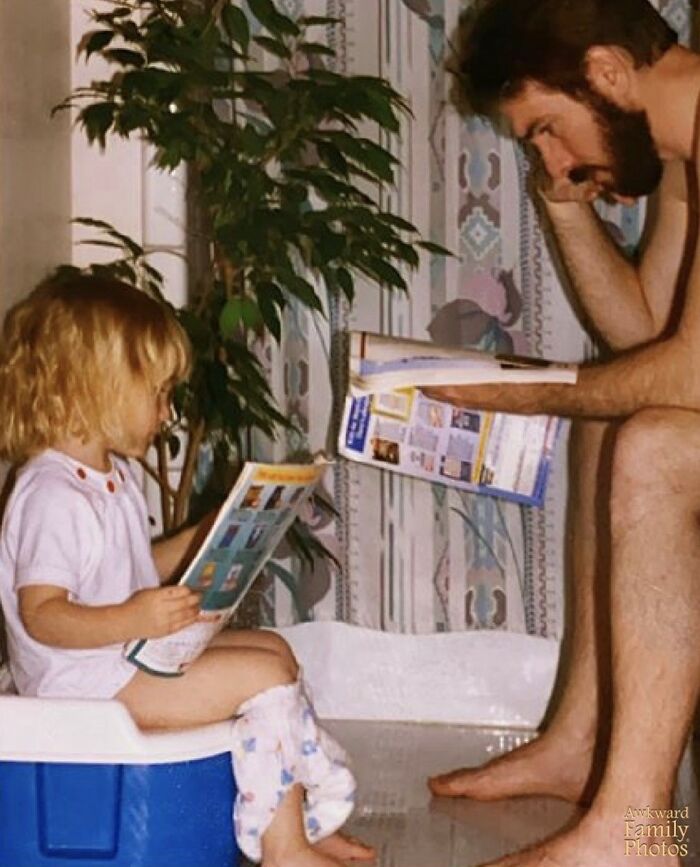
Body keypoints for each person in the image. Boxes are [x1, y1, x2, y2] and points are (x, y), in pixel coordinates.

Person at [424, 1, 700, 865]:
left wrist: (528, 396)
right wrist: (565, 205)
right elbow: (646, 328)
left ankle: (639, 837)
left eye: (546, 130)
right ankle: (581, 743)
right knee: (610, 425)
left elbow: (690, 374)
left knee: (649, 443)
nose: (550, 156)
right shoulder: (685, 154)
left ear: (609, 73)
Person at [0, 276, 374, 867]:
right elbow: (42, 615)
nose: (168, 411)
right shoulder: (51, 494)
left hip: (118, 660)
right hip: (83, 684)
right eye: (157, 393)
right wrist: (135, 615)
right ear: (94, 389)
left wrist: (212, 535)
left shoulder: (110, 476)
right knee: (260, 678)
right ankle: (284, 847)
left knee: (274, 652)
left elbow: (128, 567)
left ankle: (295, 820)